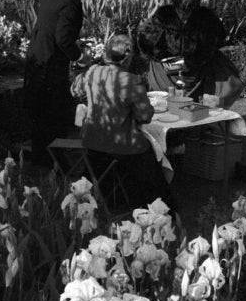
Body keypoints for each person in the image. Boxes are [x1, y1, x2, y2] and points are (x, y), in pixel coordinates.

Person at [70, 34, 174, 212]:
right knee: (150, 155)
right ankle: (160, 206)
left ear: (107, 54)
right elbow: (144, 116)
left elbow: (75, 90)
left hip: (92, 143)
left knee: (136, 153)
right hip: (122, 146)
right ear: (128, 57)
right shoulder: (131, 80)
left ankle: (119, 198)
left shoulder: (93, 71)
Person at [23, 0, 103, 165]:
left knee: (39, 110)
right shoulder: (72, 1)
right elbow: (63, 38)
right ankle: (54, 160)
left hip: (36, 55)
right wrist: (80, 57)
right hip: (51, 62)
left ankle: (41, 155)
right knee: (52, 111)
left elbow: (50, 24)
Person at [137, 0, 243, 108]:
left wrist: (199, 58)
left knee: (200, 103)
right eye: (181, 11)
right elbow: (144, 39)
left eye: (188, 12)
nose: (184, 15)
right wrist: (159, 56)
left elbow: (219, 38)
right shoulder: (164, 15)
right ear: (175, 5)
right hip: (164, 70)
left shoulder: (206, 17)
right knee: (167, 102)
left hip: (195, 69)